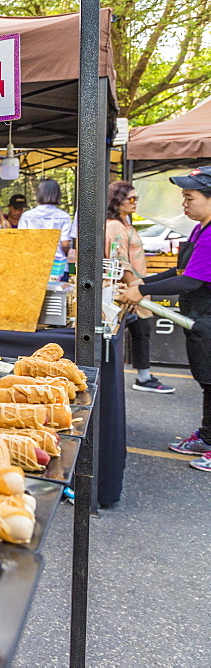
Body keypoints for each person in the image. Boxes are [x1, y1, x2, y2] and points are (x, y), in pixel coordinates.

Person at [121, 166, 211, 470]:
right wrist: (142, 284)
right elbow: (181, 271)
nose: (184, 204)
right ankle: (207, 437)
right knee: (207, 382)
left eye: (190, 197)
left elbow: (189, 283)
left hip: (207, 315)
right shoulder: (200, 229)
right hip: (200, 316)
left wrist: (143, 290)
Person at [105, 181, 174, 394]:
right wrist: (135, 288)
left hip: (134, 286)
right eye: (131, 199)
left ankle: (142, 376)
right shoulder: (115, 225)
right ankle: (138, 378)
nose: (135, 203)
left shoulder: (124, 223)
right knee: (128, 333)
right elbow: (120, 260)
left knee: (140, 332)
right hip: (126, 289)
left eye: (137, 199)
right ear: (117, 201)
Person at [18, 179, 76, 276]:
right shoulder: (64, 216)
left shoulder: (27, 216)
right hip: (58, 266)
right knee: (57, 290)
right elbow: (65, 244)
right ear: (57, 194)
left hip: (33, 264)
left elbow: (22, 241)